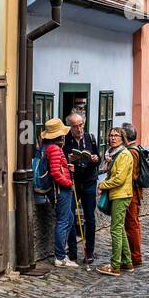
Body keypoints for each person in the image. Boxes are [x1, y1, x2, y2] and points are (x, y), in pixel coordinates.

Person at [63, 112, 99, 269]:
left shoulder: (91, 138)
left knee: (90, 218)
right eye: (75, 126)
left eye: (80, 125)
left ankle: (89, 252)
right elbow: (61, 160)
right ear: (70, 127)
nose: (78, 128)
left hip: (89, 182)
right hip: (73, 182)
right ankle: (72, 251)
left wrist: (95, 159)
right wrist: (69, 160)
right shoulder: (65, 140)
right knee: (71, 216)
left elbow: (97, 157)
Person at [42, 117, 79, 269]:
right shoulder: (55, 149)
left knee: (69, 219)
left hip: (60, 190)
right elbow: (56, 174)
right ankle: (60, 257)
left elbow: (57, 168)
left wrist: (66, 166)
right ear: (60, 136)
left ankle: (61, 252)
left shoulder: (48, 147)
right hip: (61, 191)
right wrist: (69, 182)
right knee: (63, 222)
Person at [97, 126, 135, 275]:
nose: (113, 138)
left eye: (116, 136)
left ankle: (115, 266)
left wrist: (103, 184)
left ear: (122, 138)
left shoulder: (124, 155)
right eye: (111, 135)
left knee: (115, 230)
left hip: (121, 194)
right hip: (117, 194)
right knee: (120, 229)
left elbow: (119, 179)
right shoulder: (113, 154)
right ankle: (127, 262)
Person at [122, 121, 144, 269]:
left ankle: (135, 257)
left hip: (131, 192)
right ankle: (132, 255)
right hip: (134, 191)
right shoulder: (136, 149)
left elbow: (131, 175)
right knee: (132, 224)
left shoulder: (131, 152)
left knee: (131, 225)